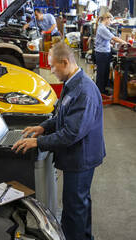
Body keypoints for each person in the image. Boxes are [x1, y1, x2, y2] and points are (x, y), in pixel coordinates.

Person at [12, 41, 106, 240]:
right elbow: (63, 115)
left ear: (64, 62)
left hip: (81, 157)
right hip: (78, 154)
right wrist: (43, 127)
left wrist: (39, 142)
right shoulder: (72, 83)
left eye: (53, 65)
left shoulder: (83, 91)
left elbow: (71, 133)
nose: (51, 69)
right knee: (79, 203)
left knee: (74, 208)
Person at [95, 12, 127, 94]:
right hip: (102, 54)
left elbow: (107, 39)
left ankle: (103, 89)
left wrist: (110, 43)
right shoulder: (102, 28)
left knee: (105, 73)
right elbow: (114, 38)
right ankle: (100, 92)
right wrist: (125, 43)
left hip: (104, 52)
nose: (111, 22)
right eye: (111, 19)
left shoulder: (103, 27)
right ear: (106, 19)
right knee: (101, 74)